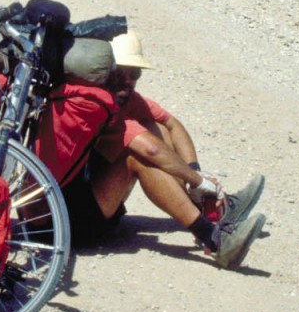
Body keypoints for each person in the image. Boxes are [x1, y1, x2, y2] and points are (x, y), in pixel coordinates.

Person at [62, 32, 267, 269]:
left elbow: (172, 123)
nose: (127, 80)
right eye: (121, 71)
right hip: (71, 224)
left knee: (155, 126)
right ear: (105, 70)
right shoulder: (97, 103)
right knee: (136, 156)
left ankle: (210, 209)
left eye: (135, 74)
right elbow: (149, 149)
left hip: (85, 202)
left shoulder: (124, 98)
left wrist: (194, 172)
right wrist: (200, 182)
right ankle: (214, 240)